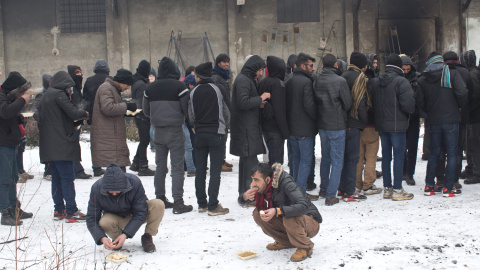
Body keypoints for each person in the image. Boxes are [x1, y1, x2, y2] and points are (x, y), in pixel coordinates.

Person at [238, 163, 322, 262]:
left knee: (288, 215)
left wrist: (278, 210)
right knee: (258, 214)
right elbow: (245, 202)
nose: (253, 184)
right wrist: (244, 197)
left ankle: (305, 247)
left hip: (309, 222)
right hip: (289, 219)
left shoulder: (286, 182)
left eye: (256, 180)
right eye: (252, 179)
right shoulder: (264, 186)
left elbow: (304, 205)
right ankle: (286, 242)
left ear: (268, 179)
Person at [143, 57, 193, 214]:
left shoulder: (150, 88)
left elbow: (145, 112)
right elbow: (187, 110)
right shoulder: (180, 86)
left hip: (158, 131)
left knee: (160, 167)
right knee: (177, 167)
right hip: (176, 131)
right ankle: (178, 202)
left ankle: (160, 200)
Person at [38, 71, 89, 223]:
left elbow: (55, 117)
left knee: (57, 178)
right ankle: (71, 211)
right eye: (69, 87)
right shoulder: (59, 95)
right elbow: (73, 113)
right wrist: (85, 114)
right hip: (61, 143)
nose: (70, 90)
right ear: (64, 85)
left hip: (49, 144)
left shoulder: (46, 95)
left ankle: (59, 209)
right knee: (67, 177)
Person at [417, 52, 468, 197]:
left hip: (433, 121)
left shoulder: (423, 79)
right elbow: (463, 93)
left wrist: (428, 113)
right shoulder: (452, 74)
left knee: (434, 153)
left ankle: (429, 186)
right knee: (452, 154)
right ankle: (448, 187)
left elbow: (420, 101)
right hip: (451, 119)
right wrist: (459, 107)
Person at [86, 163, 164, 253]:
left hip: (136, 215)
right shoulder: (96, 189)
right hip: (115, 218)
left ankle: (147, 236)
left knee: (158, 204)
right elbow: (92, 219)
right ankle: (116, 239)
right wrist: (102, 238)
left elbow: (140, 212)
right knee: (104, 222)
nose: (114, 193)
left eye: (117, 191)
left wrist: (126, 234)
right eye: (111, 191)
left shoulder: (134, 182)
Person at [369, 54, 415, 201]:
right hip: (398, 125)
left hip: (382, 125)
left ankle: (387, 188)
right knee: (399, 157)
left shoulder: (376, 82)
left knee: (386, 157)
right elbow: (408, 105)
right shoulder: (401, 82)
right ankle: (397, 189)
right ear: (399, 66)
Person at [188, 62, 230, 215]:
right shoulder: (218, 89)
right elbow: (227, 108)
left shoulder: (193, 92)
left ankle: (202, 204)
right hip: (216, 133)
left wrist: (195, 125)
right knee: (214, 171)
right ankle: (213, 206)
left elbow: (190, 114)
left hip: (199, 134)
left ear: (198, 76)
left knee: (200, 170)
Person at [314, 54, 352, 205]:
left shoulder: (317, 80)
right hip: (336, 124)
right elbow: (347, 103)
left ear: (323, 65)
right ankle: (331, 195)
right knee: (337, 161)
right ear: (336, 64)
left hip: (322, 124)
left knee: (326, 157)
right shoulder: (340, 81)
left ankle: (324, 188)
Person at [230, 55, 269, 198]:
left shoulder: (246, 79)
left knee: (248, 162)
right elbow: (243, 102)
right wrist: (261, 98)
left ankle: (245, 194)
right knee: (250, 165)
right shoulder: (243, 81)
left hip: (248, 127)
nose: (260, 74)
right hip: (245, 129)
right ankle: (248, 196)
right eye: (259, 70)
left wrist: (258, 104)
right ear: (253, 69)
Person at [0, 72, 33, 226]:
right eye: (21, 92)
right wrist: (21, 101)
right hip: (3, 144)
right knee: (5, 179)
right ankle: (5, 212)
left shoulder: (6, 96)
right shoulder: (1, 95)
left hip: (10, 142)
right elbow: (5, 112)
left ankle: (14, 208)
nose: (23, 94)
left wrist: (19, 118)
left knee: (12, 178)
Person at [91, 69, 137, 174]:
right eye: (127, 84)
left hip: (113, 139)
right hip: (109, 140)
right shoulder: (106, 88)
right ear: (121, 81)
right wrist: (126, 105)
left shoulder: (112, 89)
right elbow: (107, 108)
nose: (128, 87)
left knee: (118, 175)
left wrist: (125, 108)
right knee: (117, 177)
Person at [339, 52, 370, 202]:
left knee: (342, 158)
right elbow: (361, 103)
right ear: (362, 65)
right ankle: (349, 192)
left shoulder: (342, 76)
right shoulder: (361, 79)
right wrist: (363, 121)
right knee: (352, 159)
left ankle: (341, 188)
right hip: (354, 123)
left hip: (340, 123)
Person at [285, 53, 316, 193]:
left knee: (295, 160)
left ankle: (294, 191)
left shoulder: (289, 80)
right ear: (302, 66)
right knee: (305, 160)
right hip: (304, 129)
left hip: (292, 128)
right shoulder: (306, 82)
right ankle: (300, 192)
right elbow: (309, 106)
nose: (313, 68)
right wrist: (317, 118)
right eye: (310, 65)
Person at [258, 56, 289, 165]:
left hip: (265, 127)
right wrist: (285, 132)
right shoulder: (278, 84)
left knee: (271, 158)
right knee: (276, 163)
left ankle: (269, 181)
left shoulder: (263, 82)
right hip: (276, 128)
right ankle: (274, 182)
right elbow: (279, 110)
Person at [83, 59, 110, 176]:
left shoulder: (89, 81)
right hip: (108, 116)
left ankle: (97, 167)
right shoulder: (110, 80)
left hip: (94, 117)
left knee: (95, 143)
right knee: (109, 141)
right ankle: (111, 165)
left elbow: (85, 100)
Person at [129, 60, 155, 176]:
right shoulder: (141, 84)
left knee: (144, 140)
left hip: (138, 114)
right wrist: (147, 113)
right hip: (142, 115)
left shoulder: (137, 81)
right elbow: (143, 101)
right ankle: (143, 166)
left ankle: (136, 163)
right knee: (145, 140)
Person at [67, 65, 92, 180]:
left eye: (80, 72)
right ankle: (77, 169)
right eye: (76, 72)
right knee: (73, 146)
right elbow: (74, 104)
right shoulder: (71, 87)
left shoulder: (76, 87)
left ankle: (76, 168)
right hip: (73, 121)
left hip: (78, 120)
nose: (79, 75)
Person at [400, 55, 421, 186]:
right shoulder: (398, 79)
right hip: (401, 118)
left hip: (413, 117)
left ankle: (410, 173)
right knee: (401, 147)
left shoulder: (418, 78)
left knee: (412, 147)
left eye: (408, 69)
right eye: (404, 69)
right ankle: (403, 171)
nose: (406, 71)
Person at [211, 53, 233, 172]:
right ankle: (219, 162)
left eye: (227, 62)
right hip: (220, 111)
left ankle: (222, 160)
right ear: (218, 63)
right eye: (224, 62)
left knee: (224, 136)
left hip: (224, 110)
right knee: (220, 136)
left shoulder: (223, 76)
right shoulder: (216, 77)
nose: (227, 64)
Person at [462, 50, 480, 184]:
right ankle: (471, 167)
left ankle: (477, 172)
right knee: (471, 144)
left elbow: (474, 96)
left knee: (473, 144)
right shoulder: (473, 72)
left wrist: (466, 110)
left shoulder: (472, 74)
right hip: (474, 115)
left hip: (474, 116)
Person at [32, 74, 53, 180]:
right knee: (47, 149)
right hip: (45, 127)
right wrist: (43, 119)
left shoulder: (53, 93)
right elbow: (35, 109)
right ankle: (48, 171)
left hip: (52, 126)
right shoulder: (41, 95)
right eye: (49, 81)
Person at [183, 74, 197, 176]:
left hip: (178, 122)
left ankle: (175, 170)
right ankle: (191, 169)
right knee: (188, 147)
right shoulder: (190, 94)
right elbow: (188, 110)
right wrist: (192, 124)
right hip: (184, 122)